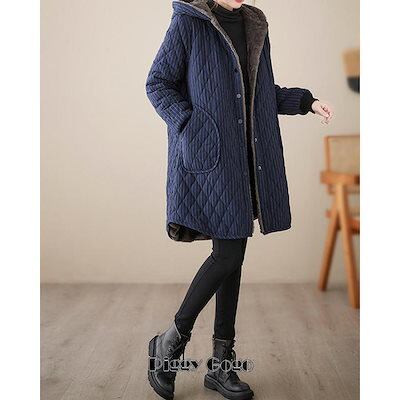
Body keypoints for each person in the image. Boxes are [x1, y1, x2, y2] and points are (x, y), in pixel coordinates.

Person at [145, 1, 333, 399]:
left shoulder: (254, 25)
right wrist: (190, 123)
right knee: (229, 255)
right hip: (213, 159)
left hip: (248, 158)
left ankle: (220, 364)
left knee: (233, 257)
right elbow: (158, 83)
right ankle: (170, 342)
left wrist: (306, 102)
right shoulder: (189, 22)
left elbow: (259, 93)